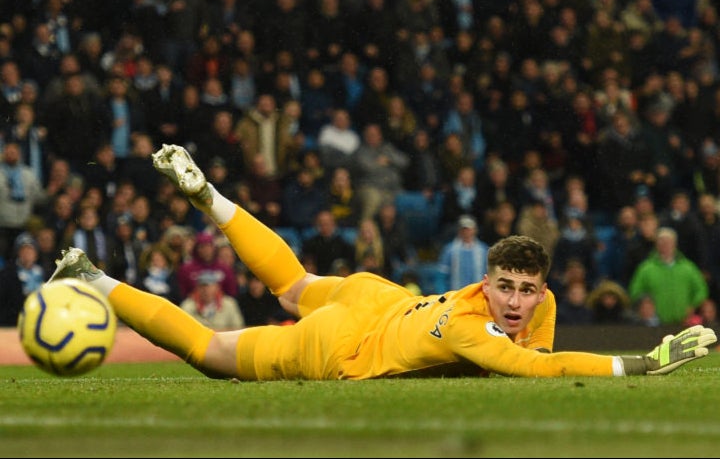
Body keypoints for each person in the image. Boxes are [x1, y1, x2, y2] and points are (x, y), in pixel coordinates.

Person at [48, 143, 717, 380]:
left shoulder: (522, 311)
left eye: (526, 291)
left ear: (542, 293)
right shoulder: (471, 328)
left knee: (293, 281)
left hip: (380, 295)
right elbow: (549, 366)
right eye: (504, 287)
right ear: (485, 284)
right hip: (345, 342)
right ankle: (91, 277)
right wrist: (642, 361)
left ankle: (211, 197)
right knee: (206, 348)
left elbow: (541, 350)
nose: (515, 301)